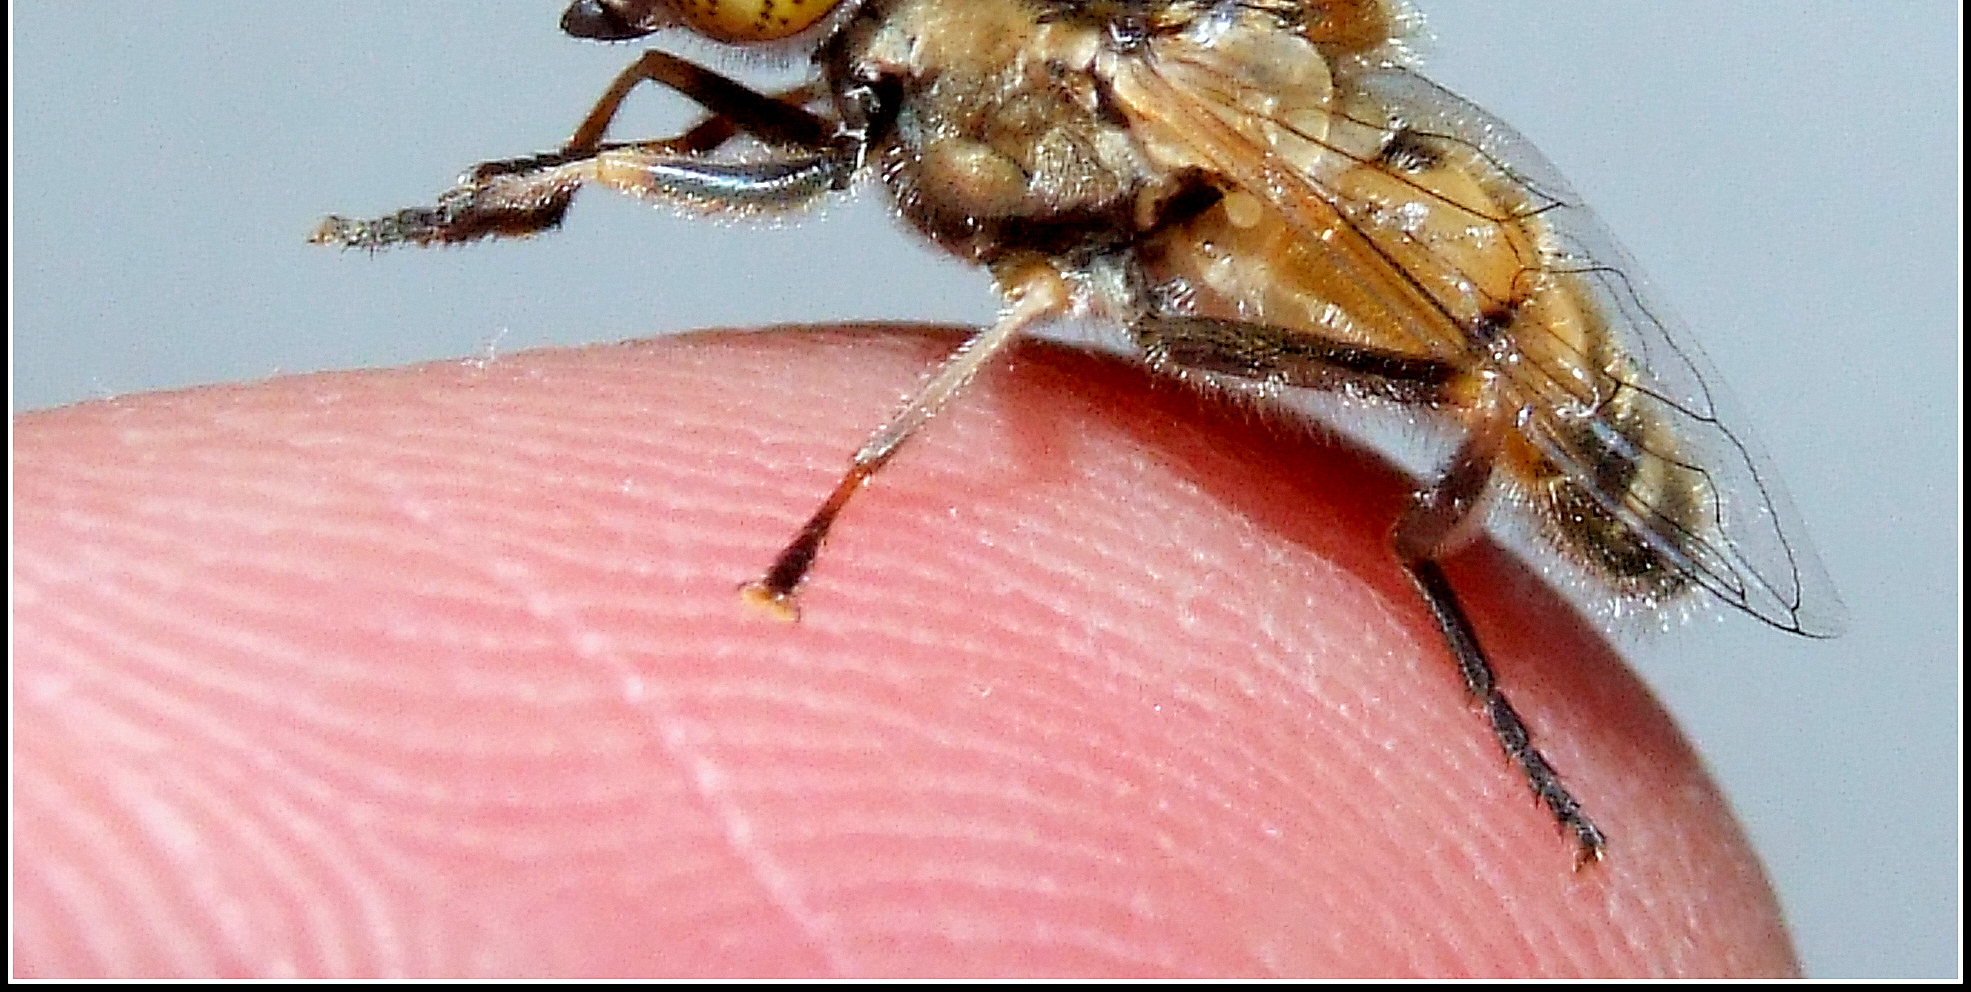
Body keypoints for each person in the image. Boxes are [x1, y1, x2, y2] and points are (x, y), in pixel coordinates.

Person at [13, 328, 1797, 975]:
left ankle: (1468, 660)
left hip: (1447, 309)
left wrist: (836, 499)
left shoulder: (1096, 73)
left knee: (1426, 424)